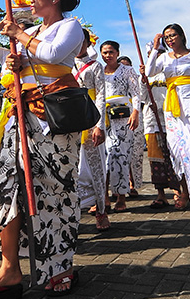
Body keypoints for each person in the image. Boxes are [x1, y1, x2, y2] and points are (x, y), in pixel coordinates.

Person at [0, 0, 84, 298]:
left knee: (55, 189)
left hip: (52, 119)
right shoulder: (28, 33)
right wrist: (13, 62)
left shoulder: (70, 26)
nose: (32, 0)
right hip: (18, 117)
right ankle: (9, 268)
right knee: (6, 188)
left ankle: (60, 267)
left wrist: (19, 34)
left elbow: (52, 54)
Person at [145, 23, 190, 220]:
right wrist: (156, 48)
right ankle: (184, 192)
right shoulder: (164, 57)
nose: (170, 39)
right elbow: (149, 72)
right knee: (177, 151)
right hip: (172, 107)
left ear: (182, 35)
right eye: (166, 37)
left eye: (173, 35)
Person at [74, 29, 109, 232]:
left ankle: (101, 211)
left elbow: (102, 96)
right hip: (71, 119)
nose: (78, 46)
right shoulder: (65, 64)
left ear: (88, 43)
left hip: (91, 117)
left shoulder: (96, 66)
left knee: (96, 166)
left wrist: (99, 125)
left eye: (82, 42)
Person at [138, 44, 180, 210]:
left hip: (170, 117)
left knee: (175, 156)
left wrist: (161, 108)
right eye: (150, 54)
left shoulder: (169, 71)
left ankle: (178, 191)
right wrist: (143, 80)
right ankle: (161, 195)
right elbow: (142, 96)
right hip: (151, 120)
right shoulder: (147, 73)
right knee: (156, 159)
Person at [101, 41, 140, 213]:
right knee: (104, 157)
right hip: (103, 117)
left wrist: (136, 113)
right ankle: (104, 196)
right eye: (104, 52)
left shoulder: (127, 70)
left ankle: (121, 197)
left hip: (123, 118)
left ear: (117, 53)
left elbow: (136, 93)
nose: (107, 55)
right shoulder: (98, 71)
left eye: (111, 52)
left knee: (119, 155)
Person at [117, 55, 145, 198]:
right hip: (117, 117)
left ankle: (134, 183)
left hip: (135, 117)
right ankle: (121, 184)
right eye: (122, 65)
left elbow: (141, 97)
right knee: (118, 152)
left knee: (135, 153)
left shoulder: (137, 79)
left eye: (127, 65)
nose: (125, 68)